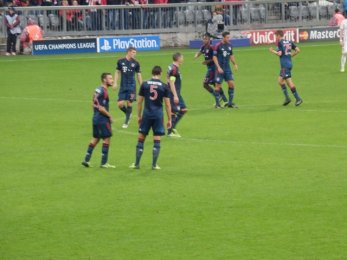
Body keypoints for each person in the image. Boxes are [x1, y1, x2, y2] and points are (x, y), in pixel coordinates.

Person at [129, 66, 172, 170]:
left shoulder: (144, 84)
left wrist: (139, 116)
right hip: (158, 115)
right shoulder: (164, 86)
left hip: (147, 114)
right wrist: (170, 119)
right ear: (160, 73)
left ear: (152, 72)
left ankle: (136, 164)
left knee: (141, 138)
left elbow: (139, 102)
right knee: (157, 139)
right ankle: (154, 165)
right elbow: (167, 104)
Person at [82, 73, 116, 168]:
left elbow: (93, 103)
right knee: (107, 138)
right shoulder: (104, 92)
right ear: (104, 80)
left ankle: (86, 159)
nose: (112, 80)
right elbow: (101, 108)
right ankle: (104, 163)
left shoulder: (97, 89)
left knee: (96, 138)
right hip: (102, 119)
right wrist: (110, 116)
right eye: (110, 78)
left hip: (95, 118)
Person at [269, 30, 303, 106]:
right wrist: (291, 56)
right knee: (282, 81)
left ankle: (297, 98)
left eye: (276, 36)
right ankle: (288, 98)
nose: (275, 38)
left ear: (278, 35)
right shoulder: (289, 41)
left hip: (284, 66)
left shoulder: (280, 43)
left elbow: (279, 54)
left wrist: (272, 51)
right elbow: (298, 50)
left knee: (285, 81)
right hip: (289, 64)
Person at [194, 33, 227, 105]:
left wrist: (207, 61)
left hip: (213, 68)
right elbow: (200, 52)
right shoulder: (203, 47)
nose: (204, 40)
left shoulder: (212, 47)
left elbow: (216, 58)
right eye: (203, 39)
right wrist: (196, 55)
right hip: (209, 68)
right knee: (215, 84)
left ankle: (217, 97)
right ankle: (224, 100)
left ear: (209, 40)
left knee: (205, 84)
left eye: (206, 39)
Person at [113, 47, 142, 128]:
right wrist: (115, 82)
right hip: (123, 86)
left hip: (132, 87)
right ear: (129, 52)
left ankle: (126, 122)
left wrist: (142, 85)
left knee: (129, 102)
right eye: (133, 52)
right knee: (120, 104)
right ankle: (128, 113)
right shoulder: (120, 61)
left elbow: (138, 74)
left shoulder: (136, 63)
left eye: (135, 52)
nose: (134, 54)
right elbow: (117, 72)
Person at [212, 31, 239, 108]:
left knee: (231, 84)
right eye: (227, 37)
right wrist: (218, 67)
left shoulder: (230, 45)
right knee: (218, 86)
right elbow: (214, 57)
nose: (228, 39)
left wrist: (235, 64)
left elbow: (231, 55)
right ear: (223, 37)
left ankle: (230, 103)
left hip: (227, 68)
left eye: (229, 37)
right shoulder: (217, 46)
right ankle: (217, 104)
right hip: (219, 69)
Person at [167, 52, 187, 138]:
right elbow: (171, 82)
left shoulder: (172, 67)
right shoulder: (174, 69)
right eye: (182, 57)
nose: (183, 59)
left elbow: (168, 79)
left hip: (176, 93)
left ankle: (172, 127)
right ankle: (170, 132)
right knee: (173, 112)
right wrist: (175, 95)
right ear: (178, 59)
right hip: (173, 93)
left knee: (183, 109)